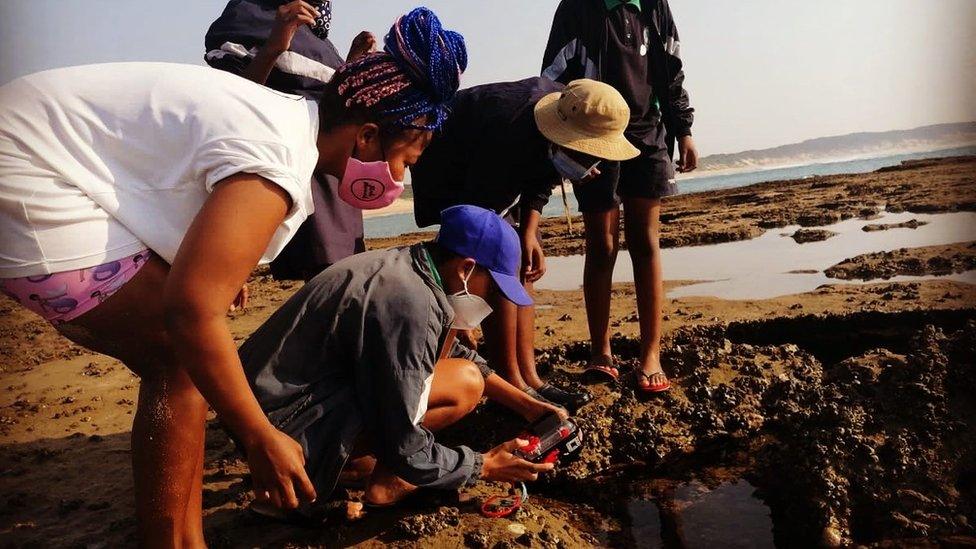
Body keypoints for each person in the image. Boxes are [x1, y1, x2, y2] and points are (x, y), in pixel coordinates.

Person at [0, 7, 466, 546]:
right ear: (365, 137)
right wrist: (259, 435)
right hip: (26, 171)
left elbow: (172, 182)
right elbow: (191, 312)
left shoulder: (286, 117)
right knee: (176, 354)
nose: (399, 178)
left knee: (186, 351)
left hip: (42, 148)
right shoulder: (278, 158)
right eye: (405, 160)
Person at [239, 205, 563, 509]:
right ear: (467, 269)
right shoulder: (412, 305)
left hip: (268, 410)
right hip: (280, 434)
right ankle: (381, 481)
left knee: (457, 372)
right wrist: (483, 466)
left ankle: (345, 462)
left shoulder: (410, 267)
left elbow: (446, 352)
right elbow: (404, 441)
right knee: (465, 383)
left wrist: (528, 406)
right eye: (493, 290)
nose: (491, 302)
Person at [410, 77, 639, 412]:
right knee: (498, 261)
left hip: (501, 162)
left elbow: (541, 180)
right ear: (566, 136)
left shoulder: (562, 116)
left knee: (524, 263)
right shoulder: (510, 131)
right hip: (451, 164)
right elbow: (479, 234)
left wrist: (530, 232)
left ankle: (531, 378)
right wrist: (461, 312)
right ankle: (511, 379)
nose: (594, 165)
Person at [542, 0, 698, 393]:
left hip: (649, 134)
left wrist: (684, 130)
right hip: (592, 138)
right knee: (601, 244)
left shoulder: (653, 5)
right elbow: (553, 77)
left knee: (646, 243)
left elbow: (671, 69)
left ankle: (651, 353)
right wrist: (562, 147)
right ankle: (601, 351)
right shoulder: (575, 9)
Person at [206, 0, 376, 280]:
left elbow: (325, 103)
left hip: (330, 175)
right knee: (327, 275)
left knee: (343, 273)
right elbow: (232, 100)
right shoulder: (248, 14)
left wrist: (350, 65)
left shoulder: (317, 35)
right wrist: (275, 44)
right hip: (295, 169)